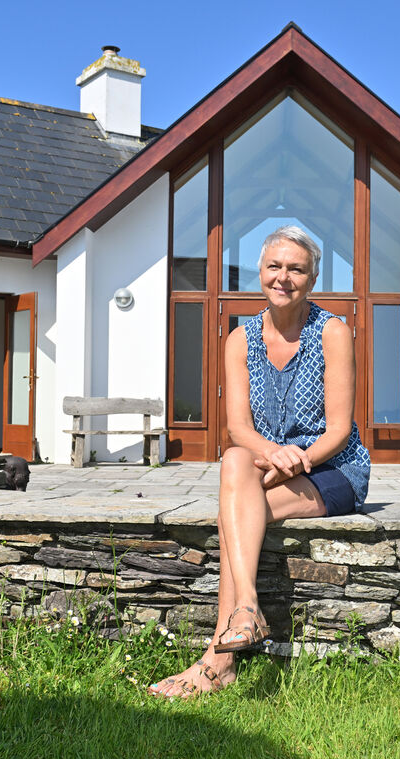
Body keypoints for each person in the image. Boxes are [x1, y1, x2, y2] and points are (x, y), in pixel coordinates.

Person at [150, 225, 370, 698]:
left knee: (235, 519)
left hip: (332, 468)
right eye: (275, 266)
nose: (283, 277)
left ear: (311, 279)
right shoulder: (239, 339)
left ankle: (218, 659)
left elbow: (338, 429)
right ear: (260, 273)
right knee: (233, 460)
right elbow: (238, 429)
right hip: (267, 463)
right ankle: (246, 608)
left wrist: (295, 460)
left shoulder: (332, 331)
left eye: (296, 269)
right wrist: (272, 454)